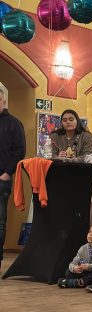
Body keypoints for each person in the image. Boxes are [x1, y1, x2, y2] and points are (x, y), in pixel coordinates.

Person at [0, 89, 25, 268]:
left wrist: (7, 173)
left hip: (2, 178)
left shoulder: (14, 123)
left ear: (3, 101)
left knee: (0, 222)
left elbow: (19, 151)